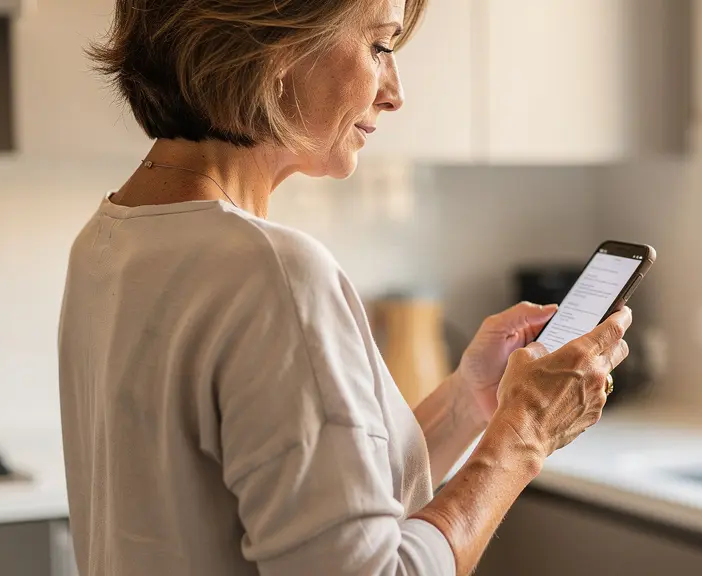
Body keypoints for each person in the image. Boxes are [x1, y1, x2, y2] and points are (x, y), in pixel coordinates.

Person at [56, 0, 632, 575]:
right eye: (380, 46)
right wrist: (525, 431)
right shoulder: (272, 273)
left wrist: (466, 403)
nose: (394, 92)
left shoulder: (109, 239)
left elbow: (322, 512)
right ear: (274, 45)